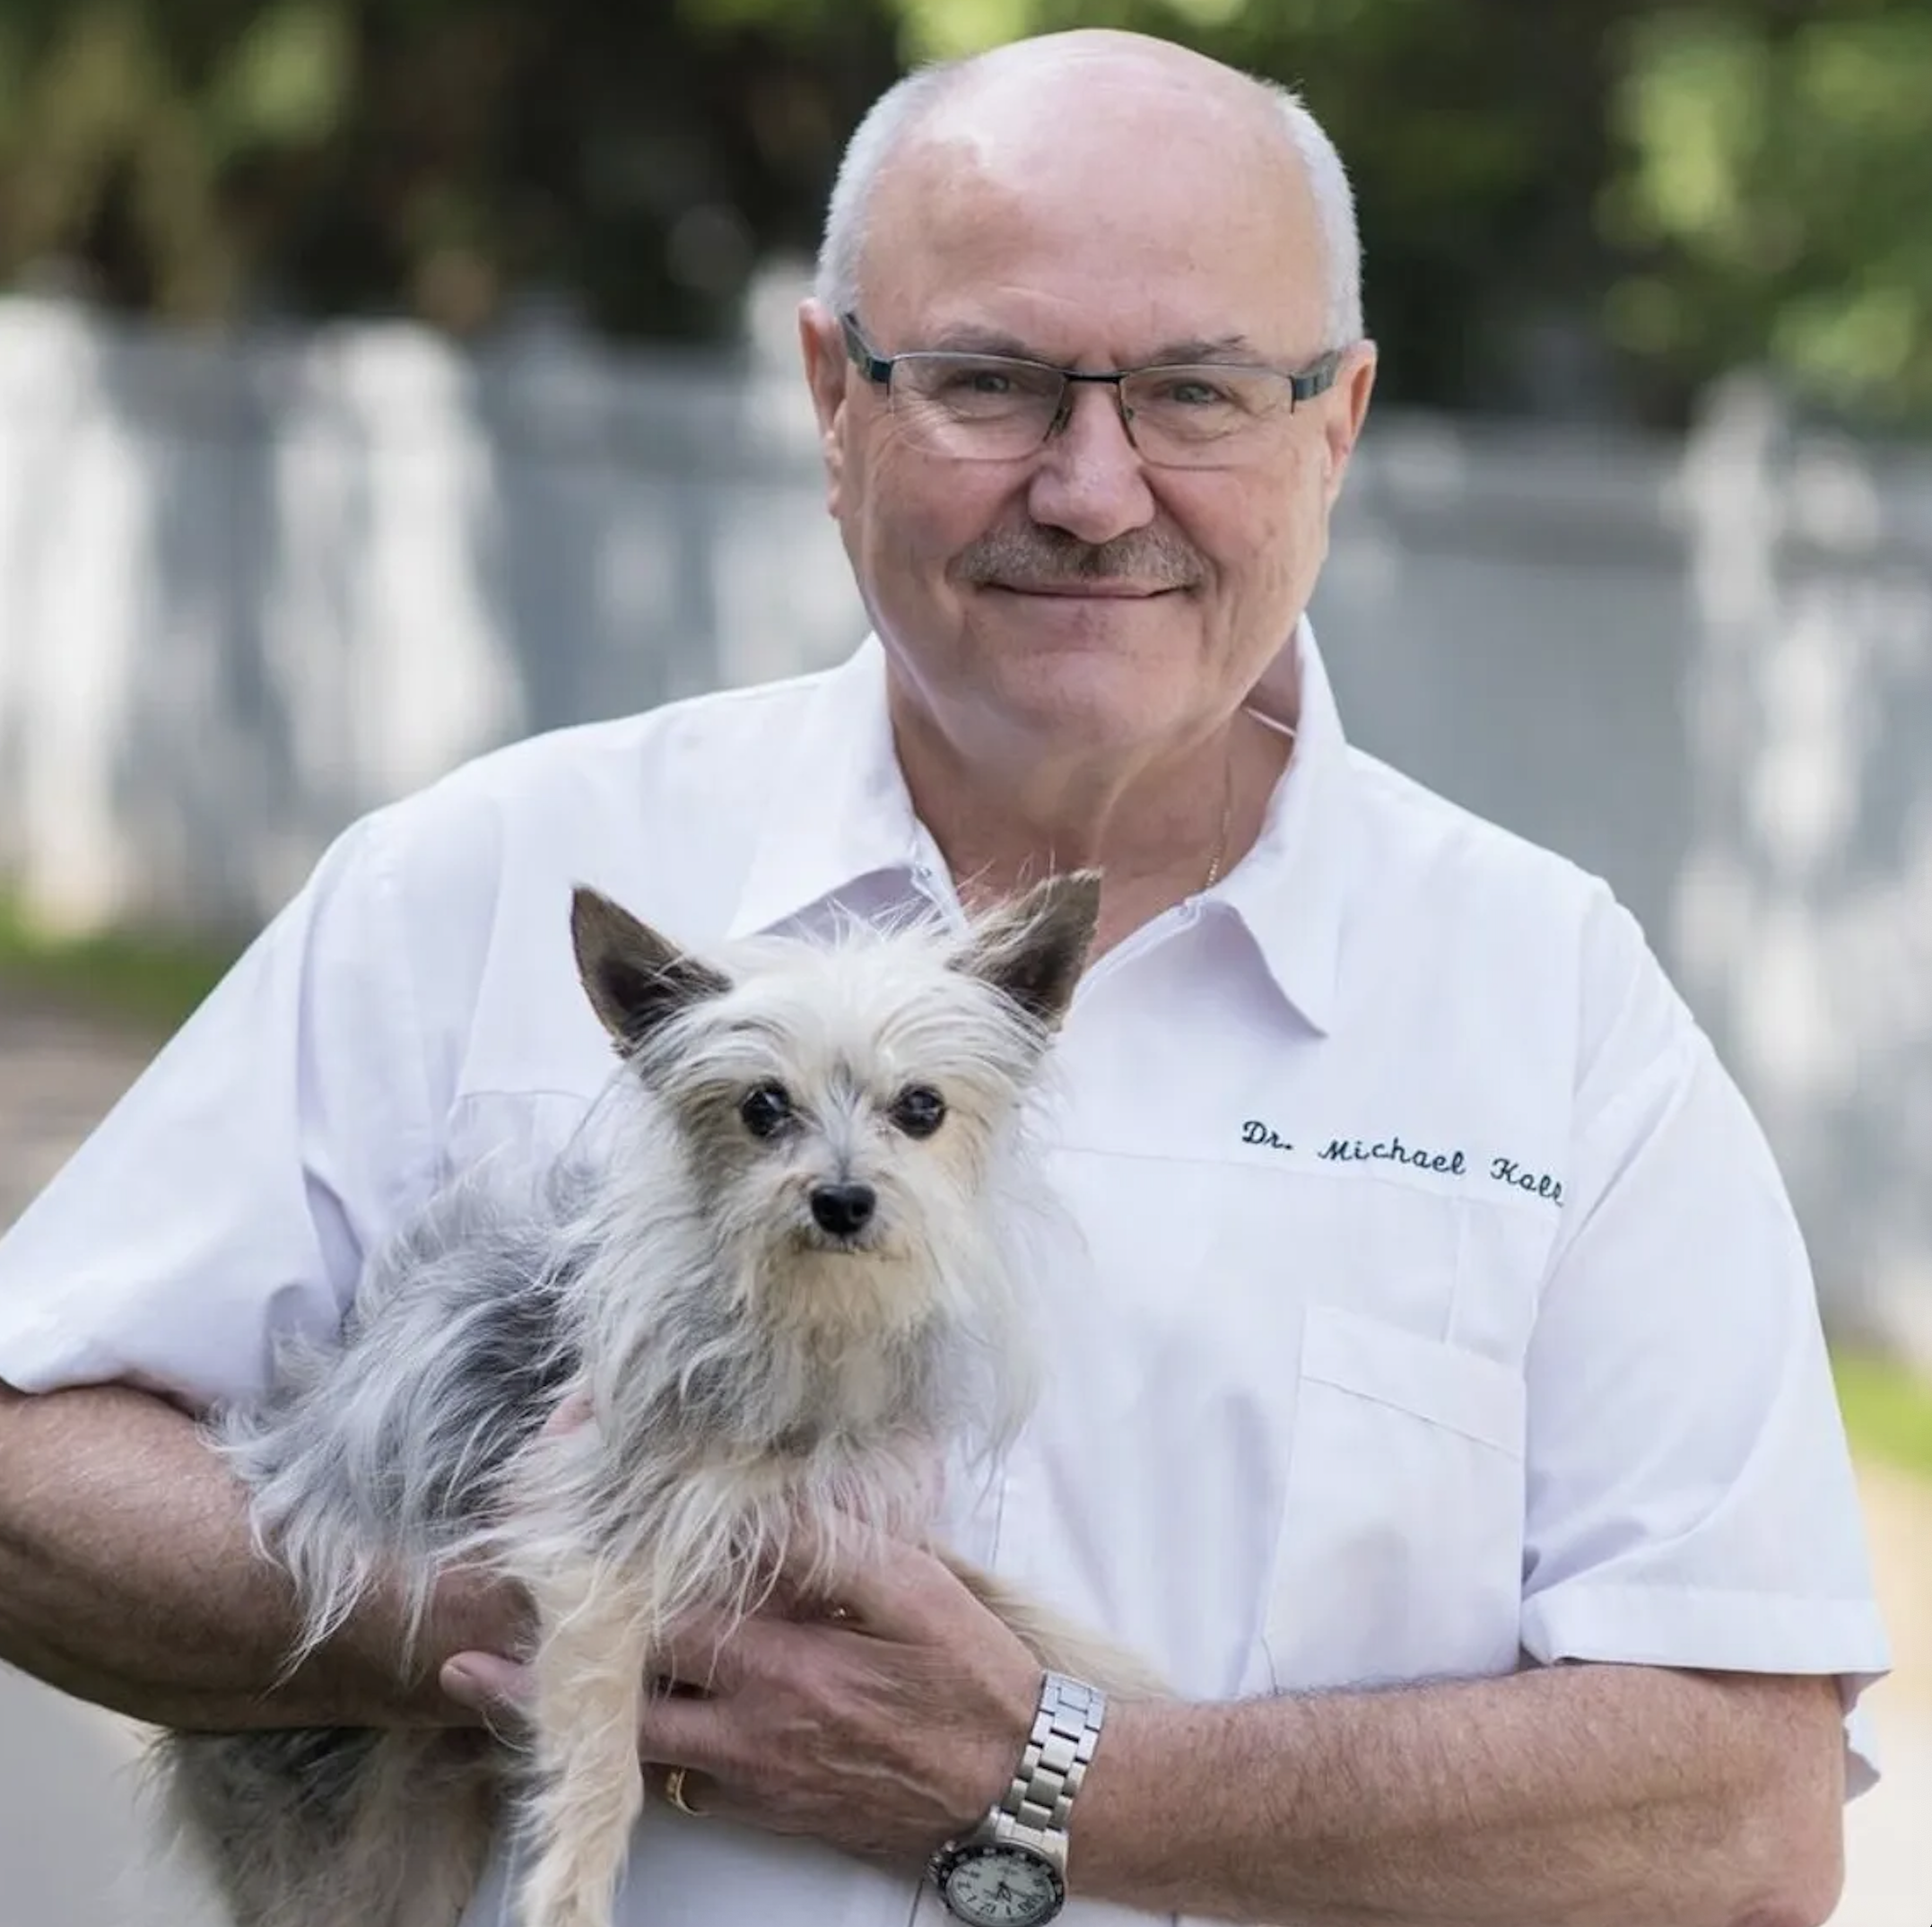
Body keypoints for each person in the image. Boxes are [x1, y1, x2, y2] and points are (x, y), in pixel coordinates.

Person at [0, 27, 1890, 1927]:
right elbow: (30, 1478)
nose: (1090, 486)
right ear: (834, 399)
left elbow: (1741, 1816)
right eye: (988, 381)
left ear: (1340, 422)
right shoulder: (482, 885)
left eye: (1199, 392)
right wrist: (557, 1603)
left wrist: (1055, 1770)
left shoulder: (1551, 1009)